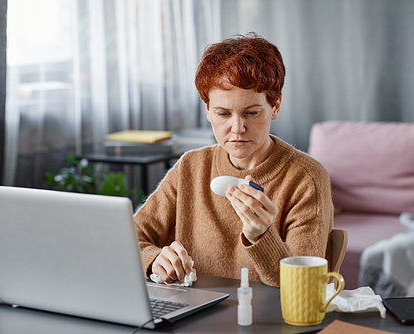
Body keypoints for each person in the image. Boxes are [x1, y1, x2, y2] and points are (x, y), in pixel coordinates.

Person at [134, 33, 333, 287]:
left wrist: (261, 235)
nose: (237, 128)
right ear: (207, 111)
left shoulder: (306, 179)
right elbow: (128, 239)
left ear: (276, 106)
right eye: (223, 113)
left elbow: (304, 287)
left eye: (251, 112)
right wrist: (153, 259)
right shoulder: (191, 167)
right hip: (191, 318)